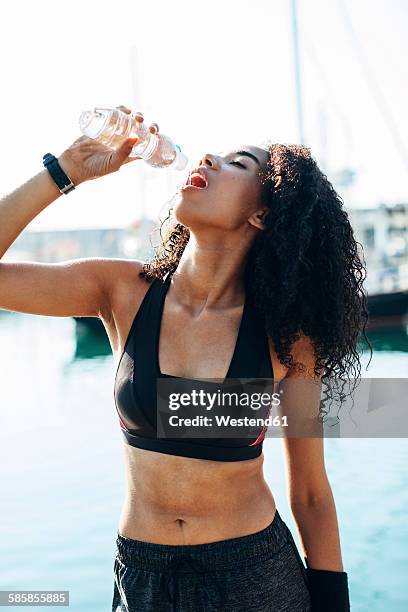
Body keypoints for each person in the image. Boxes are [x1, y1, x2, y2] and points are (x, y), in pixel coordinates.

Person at [0, 105, 371, 611]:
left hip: (254, 576)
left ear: (262, 213)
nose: (212, 159)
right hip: (144, 578)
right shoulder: (121, 290)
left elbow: (309, 493)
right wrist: (65, 170)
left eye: (239, 164)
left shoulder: (288, 338)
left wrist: (333, 604)